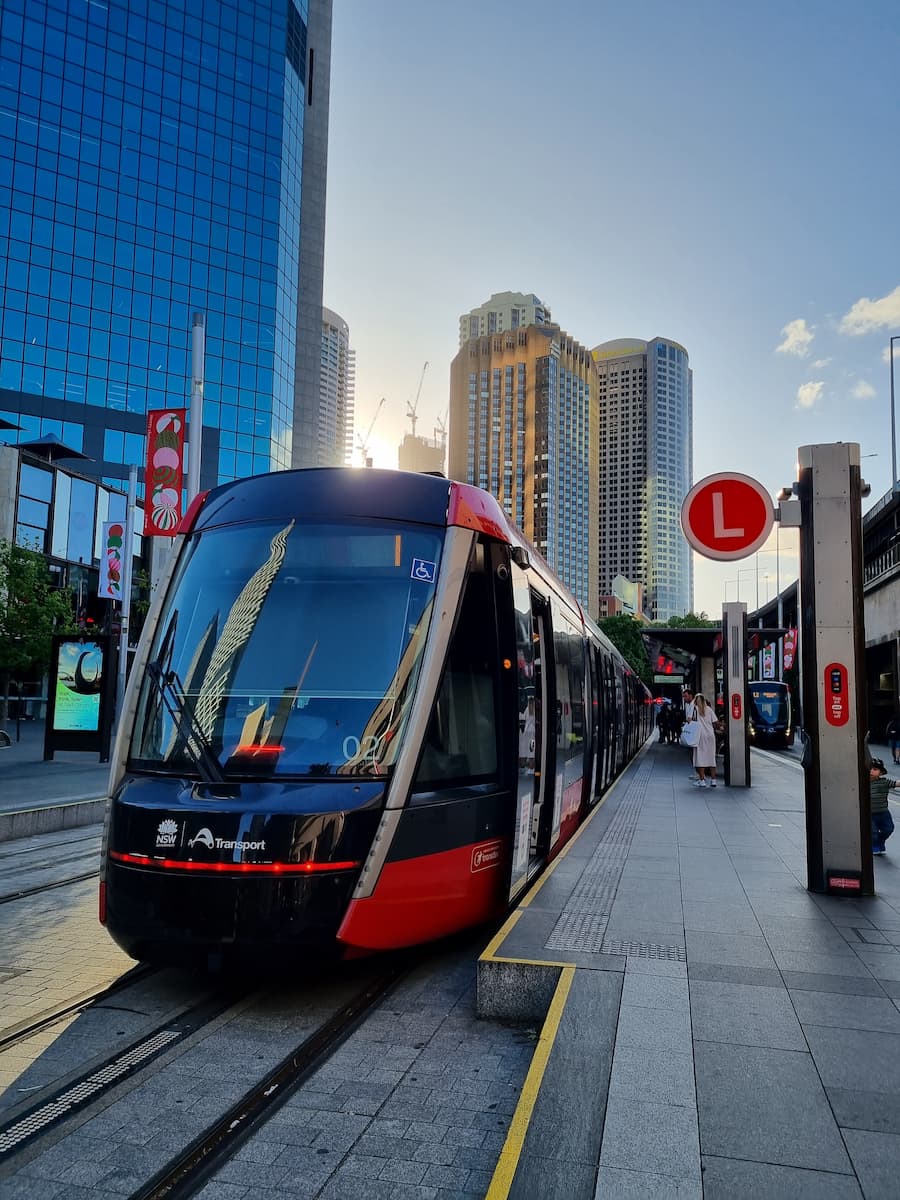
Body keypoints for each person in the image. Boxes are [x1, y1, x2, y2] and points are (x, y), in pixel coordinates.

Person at [690, 693, 718, 788]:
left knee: (700, 757)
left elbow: (689, 720)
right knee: (711, 757)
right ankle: (713, 780)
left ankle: (702, 780)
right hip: (710, 735)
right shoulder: (709, 709)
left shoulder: (695, 709)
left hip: (699, 736)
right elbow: (715, 722)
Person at [870, 758, 897, 855]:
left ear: (881, 773)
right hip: (869, 813)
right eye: (870, 768)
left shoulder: (884, 782)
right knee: (873, 832)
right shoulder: (862, 782)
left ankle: (879, 842)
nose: (871, 771)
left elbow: (896, 783)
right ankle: (875, 846)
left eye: (875, 769)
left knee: (888, 829)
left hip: (883, 812)